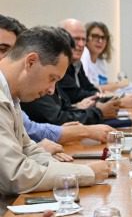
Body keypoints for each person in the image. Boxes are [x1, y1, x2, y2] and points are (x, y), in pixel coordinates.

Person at [0, 25, 109, 194]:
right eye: (52, 78)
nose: (51, 90)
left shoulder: (11, 96)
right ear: (31, 62)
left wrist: (69, 170)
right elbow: (15, 177)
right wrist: (87, 173)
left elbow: (29, 149)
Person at [0, 16, 113, 149]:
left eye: (13, 51)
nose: (10, 58)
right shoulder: (31, 79)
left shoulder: (14, 96)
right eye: (2, 49)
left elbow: (29, 134)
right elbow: (17, 166)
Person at [21, 30, 119, 126]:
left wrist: (78, 108)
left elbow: (65, 106)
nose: (80, 44)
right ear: (31, 62)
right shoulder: (34, 83)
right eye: (76, 39)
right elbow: (56, 119)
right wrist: (98, 112)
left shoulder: (73, 65)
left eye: (83, 39)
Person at [82, 21, 128, 92]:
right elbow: (90, 89)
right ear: (86, 38)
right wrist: (118, 85)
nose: (100, 41)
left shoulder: (101, 61)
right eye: (95, 36)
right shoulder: (84, 54)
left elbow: (102, 84)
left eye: (103, 38)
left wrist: (117, 84)